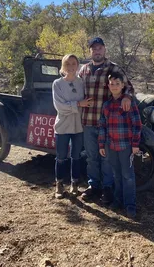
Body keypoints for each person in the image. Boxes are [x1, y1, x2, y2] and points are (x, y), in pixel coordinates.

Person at [78, 37, 134, 204]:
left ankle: (107, 188)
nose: (97, 51)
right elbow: (74, 87)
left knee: (107, 158)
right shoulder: (84, 70)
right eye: (94, 48)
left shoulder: (113, 68)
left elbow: (128, 87)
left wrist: (127, 98)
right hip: (88, 121)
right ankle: (93, 185)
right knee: (91, 157)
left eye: (100, 48)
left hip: (108, 123)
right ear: (90, 51)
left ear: (105, 49)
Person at [98, 71, 142, 218]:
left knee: (128, 176)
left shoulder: (128, 103)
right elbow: (103, 126)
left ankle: (130, 204)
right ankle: (118, 200)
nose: (115, 86)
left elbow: (137, 125)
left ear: (123, 85)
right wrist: (101, 145)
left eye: (118, 84)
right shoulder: (106, 105)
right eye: (112, 84)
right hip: (111, 146)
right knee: (116, 175)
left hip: (126, 146)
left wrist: (135, 144)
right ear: (108, 86)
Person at [52, 54, 92, 199]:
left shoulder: (82, 83)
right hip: (63, 126)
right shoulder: (57, 84)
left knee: (76, 156)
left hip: (78, 127)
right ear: (63, 66)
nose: (70, 67)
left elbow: (89, 100)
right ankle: (59, 184)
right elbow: (60, 107)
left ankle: (74, 183)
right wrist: (78, 104)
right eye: (67, 64)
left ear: (77, 65)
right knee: (61, 157)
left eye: (73, 64)